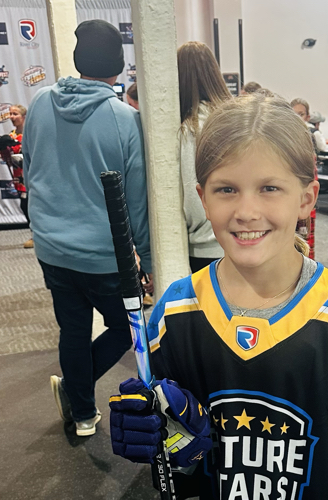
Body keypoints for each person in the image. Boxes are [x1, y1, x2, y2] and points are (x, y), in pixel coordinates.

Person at [109, 94, 328, 499]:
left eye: (269, 188)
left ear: (306, 198)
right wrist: (159, 436)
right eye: (226, 189)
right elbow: (176, 459)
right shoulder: (175, 312)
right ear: (203, 199)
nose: (246, 211)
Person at [22, 20, 152, 436]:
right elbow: (137, 202)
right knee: (127, 328)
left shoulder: (40, 102)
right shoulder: (124, 119)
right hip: (103, 255)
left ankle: (81, 413)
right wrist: (149, 262)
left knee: (73, 330)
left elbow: (30, 170)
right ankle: (77, 393)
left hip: (52, 248)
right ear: (118, 65)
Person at [178, 41, 231, 273]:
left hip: (206, 244)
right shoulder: (234, 120)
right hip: (243, 236)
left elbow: (193, 195)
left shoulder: (191, 128)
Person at [8, 104, 33, 248]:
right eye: (10, 114)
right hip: (18, 176)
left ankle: (36, 235)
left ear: (23, 117)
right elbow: (7, 158)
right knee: (25, 206)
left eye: (15, 114)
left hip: (32, 174)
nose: (12, 117)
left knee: (28, 204)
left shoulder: (30, 133)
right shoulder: (11, 135)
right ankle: (35, 233)